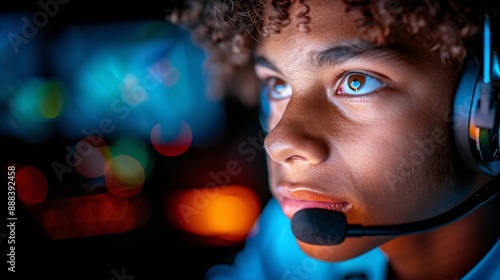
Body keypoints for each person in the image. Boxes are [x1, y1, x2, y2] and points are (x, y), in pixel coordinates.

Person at [168, 0, 500, 279]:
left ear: (487, 116)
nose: (278, 142)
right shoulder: (288, 231)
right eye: (277, 85)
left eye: (357, 82)